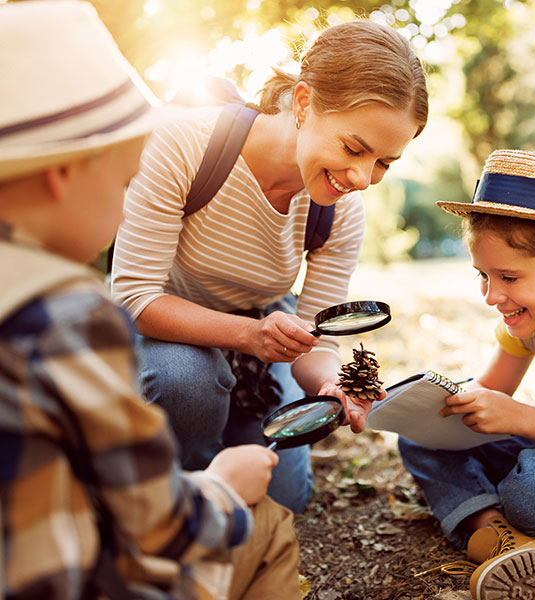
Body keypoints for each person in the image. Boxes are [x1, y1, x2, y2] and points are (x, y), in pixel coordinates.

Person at [0, 2, 300, 598]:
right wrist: (220, 484)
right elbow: (158, 524)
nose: (128, 204)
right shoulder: (62, 316)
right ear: (62, 175)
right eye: (125, 181)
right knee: (270, 521)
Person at [110, 19, 429, 514]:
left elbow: (318, 339)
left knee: (282, 502)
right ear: (302, 104)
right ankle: (186, 496)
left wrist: (331, 383)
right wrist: (248, 335)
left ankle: (211, 457)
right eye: (354, 148)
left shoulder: (340, 208)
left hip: (262, 324)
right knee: (186, 380)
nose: (364, 178)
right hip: (163, 327)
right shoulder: (185, 144)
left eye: (385, 162)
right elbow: (134, 298)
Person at [398, 149, 535, 600]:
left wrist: (524, 419)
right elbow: (489, 393)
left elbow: (515, 414)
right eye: (483, 277)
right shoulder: (532, 320)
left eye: (508, 277)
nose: (492, 296)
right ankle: (500, 536)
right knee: (424, 438)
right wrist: (424, 404)